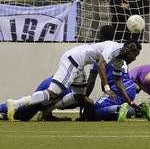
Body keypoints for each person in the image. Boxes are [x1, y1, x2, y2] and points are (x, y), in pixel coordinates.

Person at [6, 38, 142, 122]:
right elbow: (101, 64)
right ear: (128, 49)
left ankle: (47, 111)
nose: (135, 58)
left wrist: (129, 102)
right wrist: (107, 88)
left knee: (80, 97)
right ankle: (15, 103)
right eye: (135, 55)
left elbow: (118, 82)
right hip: (73, 60)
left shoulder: (119, 61)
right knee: (53, 93)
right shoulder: (114, 48)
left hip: (80, 66)